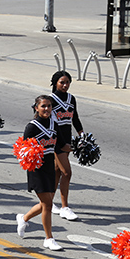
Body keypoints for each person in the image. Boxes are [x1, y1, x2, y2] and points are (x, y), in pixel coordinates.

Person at [15, 95, 71, 251]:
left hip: (49, 169)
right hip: (36, 169)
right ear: (36, 108)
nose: (47, 109)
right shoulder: (32, 127)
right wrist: (31, 157)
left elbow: (61, 145)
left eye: (49, 106)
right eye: (43, 106)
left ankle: (23, 218)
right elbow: (23, 151)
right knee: (47, 204)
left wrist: (77, 147)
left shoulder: (54, 124)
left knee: (45, 203)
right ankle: (49, 238)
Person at [50, 70, 83, 221]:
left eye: (67, 82)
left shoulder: (71, 98)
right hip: (56, 140)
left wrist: (82, 135)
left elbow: (74, 117)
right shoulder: (50, 100)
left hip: (67, 138)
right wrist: (60, 142)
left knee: (57, 171)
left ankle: (49, 202)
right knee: (67, 173)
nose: (65, 85)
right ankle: (64, 207)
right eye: (61, 82)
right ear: (55, 83)